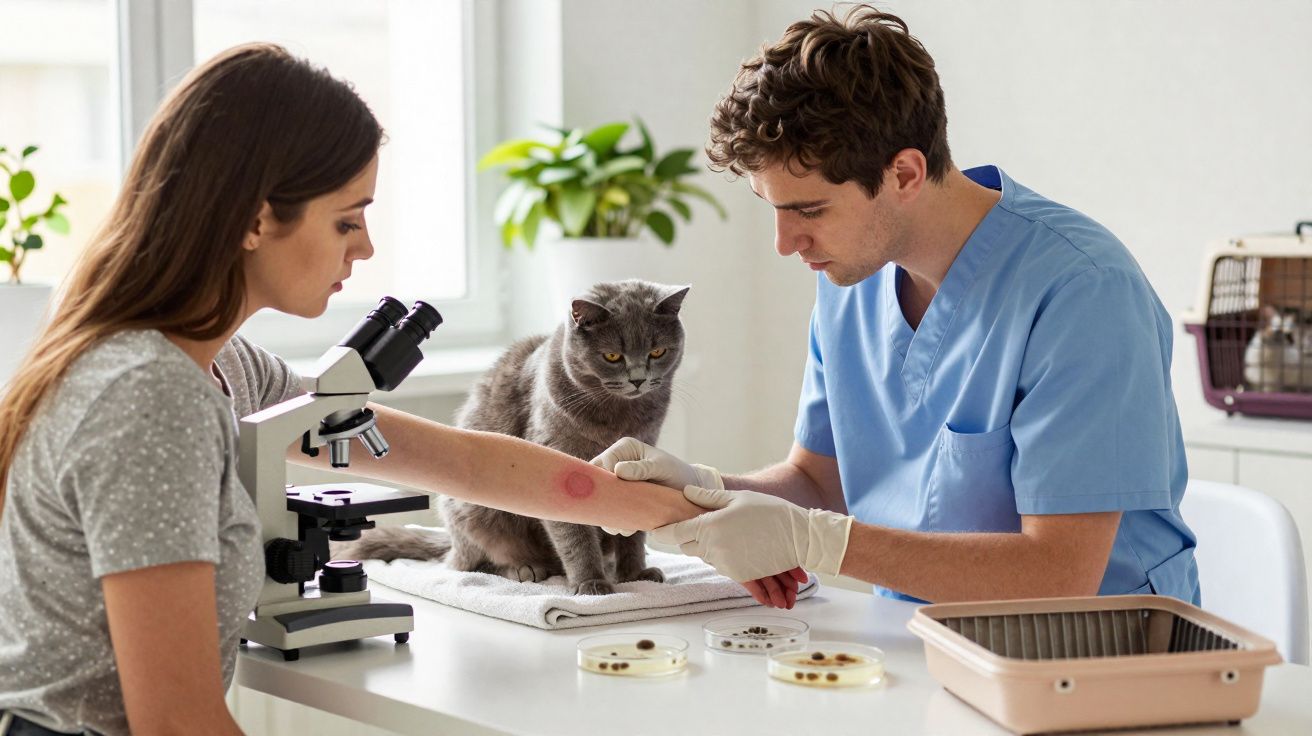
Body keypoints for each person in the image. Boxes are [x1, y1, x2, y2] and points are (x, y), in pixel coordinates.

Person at [0, 44, 799, 736]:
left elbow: (462, 463)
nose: (367, 245)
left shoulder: (226, 369)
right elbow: (175, 723)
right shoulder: (150, 397)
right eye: (348, 221)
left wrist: (696, 513)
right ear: (254, 219)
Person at [594, 6, 1198, 608]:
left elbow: (1057, 575)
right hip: (921, 646)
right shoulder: (848, 283)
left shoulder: (1083, 292)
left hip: (1100, 659)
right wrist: (703, 488)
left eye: (808, 210)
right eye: (770, 207)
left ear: (905, 173)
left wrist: (815, 542)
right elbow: (817, 481)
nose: (785, 243)